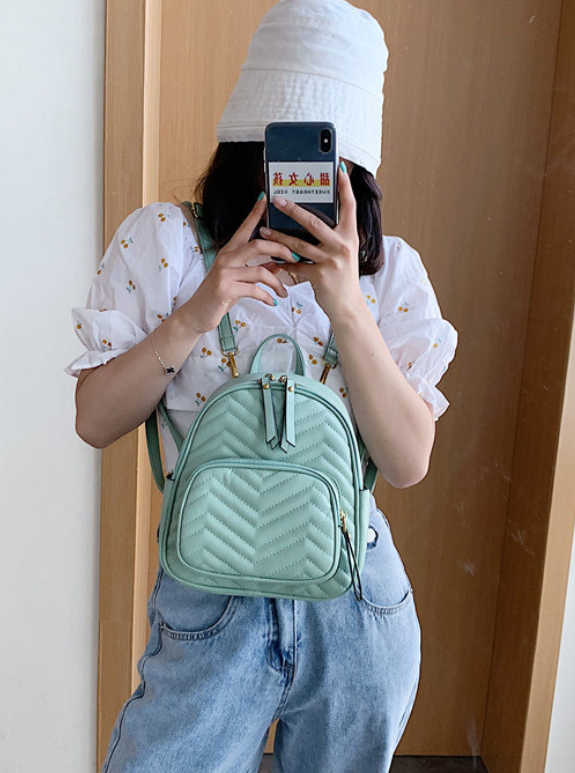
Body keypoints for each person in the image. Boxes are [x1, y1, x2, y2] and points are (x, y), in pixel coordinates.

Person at [65, 0, 458, 770]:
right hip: (210, 592)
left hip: (354, 604)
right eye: (285, 155)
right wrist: (197, 311)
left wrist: (346, 308)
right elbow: (94, 420)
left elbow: (407, 461)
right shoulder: (168, 243)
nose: (304, 186)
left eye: (333, 166)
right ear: (251, 146)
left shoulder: (388, 276)